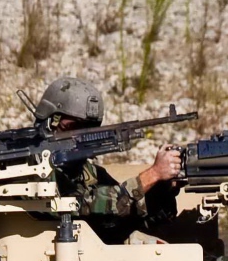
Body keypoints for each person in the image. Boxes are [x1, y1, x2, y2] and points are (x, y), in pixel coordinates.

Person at [34, 76, 182, 229]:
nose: (78, 137)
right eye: (71, 127)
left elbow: (125, 213)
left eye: (88, 128)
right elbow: (83, 205)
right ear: (48, 123)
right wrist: (153, 175)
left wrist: (162, 188)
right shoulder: (28, 168)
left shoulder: (86, 173)